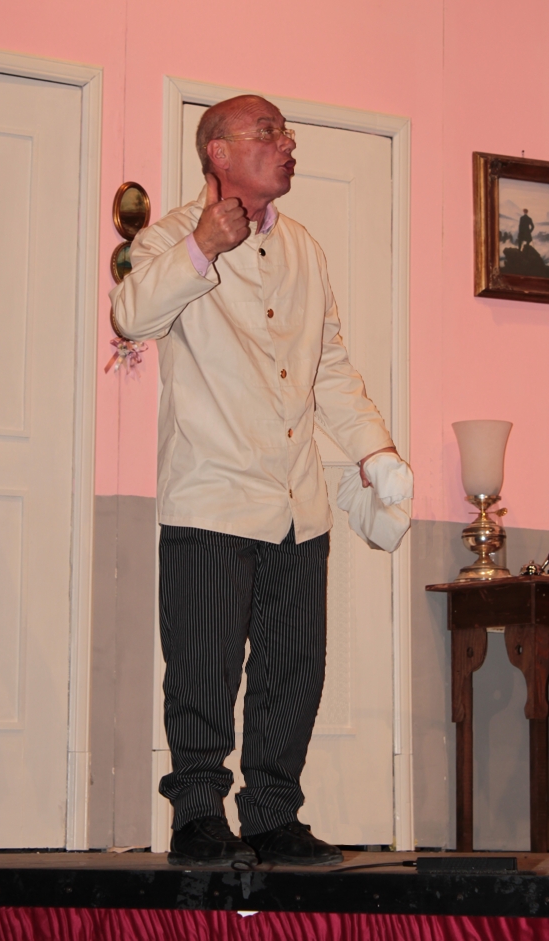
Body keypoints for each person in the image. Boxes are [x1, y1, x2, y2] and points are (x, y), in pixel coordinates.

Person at [109, 95, 410, 869]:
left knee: (292, 669)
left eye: (285, 131)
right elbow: (131, 315)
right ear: (218, 150)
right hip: (211, 494)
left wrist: (375, 451)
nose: (287, 143)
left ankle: (274, 815)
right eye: (269, 131)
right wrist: (203, 247)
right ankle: (198, 814)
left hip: (297, 502)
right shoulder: (169, 237)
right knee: (203, 667)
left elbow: (330, 366)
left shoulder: (303, 247)